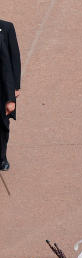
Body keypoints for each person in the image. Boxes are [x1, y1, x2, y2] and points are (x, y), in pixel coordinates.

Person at [0, 18, 21, 170]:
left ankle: (1, 158)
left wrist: (14, 89)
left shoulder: (6, 28)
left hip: (2, 87)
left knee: (2, 124)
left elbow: (13, 59)